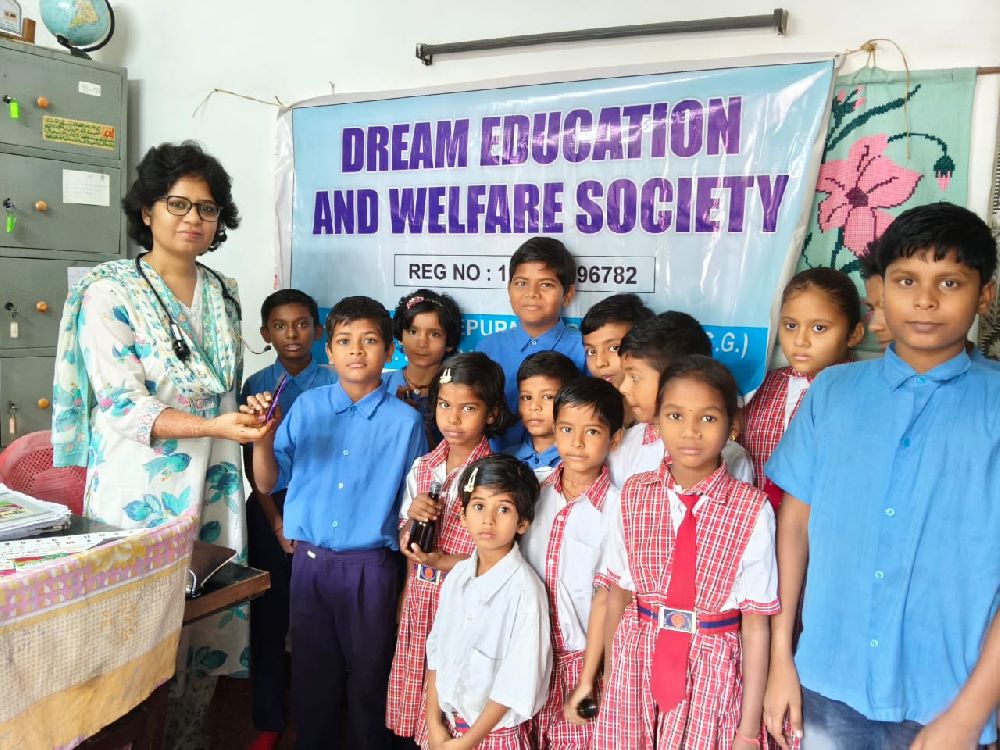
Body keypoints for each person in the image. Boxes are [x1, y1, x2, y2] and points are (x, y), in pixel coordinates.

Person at [51, 141, 269, 749]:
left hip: (214, 481)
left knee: (202, 630)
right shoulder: (109, 290)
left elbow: (219, 390)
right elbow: (122, 404)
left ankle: (185, 741)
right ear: (147, 210)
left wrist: (243, 415)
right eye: (178, 204)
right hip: (140, 485)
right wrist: (216, 426)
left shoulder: (223, 291)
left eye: (207, 208)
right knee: (132, 631)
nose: (193, 218)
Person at [763, 202, 1000, 750]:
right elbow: (794, 530)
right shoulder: (833, 392)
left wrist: (968, 718)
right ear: (881, 291)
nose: (925, 300)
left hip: (950, 700)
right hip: (826, 682)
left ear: (984, 296)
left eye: (950, 282)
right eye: (906, 280)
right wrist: (781, 660)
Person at [246, 295, 427, 750]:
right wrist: (263, 440)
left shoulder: (406, 422)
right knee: (312, 676)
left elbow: (413, 501)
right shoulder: (307, 408)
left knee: (369, 677)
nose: (356, 351)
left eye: (369, 341)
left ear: (390, 351)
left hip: (371, 566)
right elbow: (266, 482)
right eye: (344, 341)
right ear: (329, 350)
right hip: (310, 565)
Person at [594, 355, 779, 750]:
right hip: (636, 666)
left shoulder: (752, 510)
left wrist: (748, 730)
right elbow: (618, 595)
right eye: (675, 416)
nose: (690, 431)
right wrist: (612, 676)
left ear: (733, 425)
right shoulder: (635, 495)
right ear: (657, 421)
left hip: (711, 677)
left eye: (708, 418)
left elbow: (755, 625)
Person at [387, 352, 514, 749]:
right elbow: (406, 543)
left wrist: (442, 561)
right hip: (421, 598)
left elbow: (500, 561)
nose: (453, 419)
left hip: (465, 607)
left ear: (492, 414)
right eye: (444, 405)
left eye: (468, 408)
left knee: (453, 695)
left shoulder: (495, 476)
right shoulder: (424, 467)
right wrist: (411, 524)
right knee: (416, 686)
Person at [239, 288, 337, 750]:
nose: (292, 334)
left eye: (302, 324)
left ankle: (325, 714)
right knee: (270, 618)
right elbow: (252, 465)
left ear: (318, 331)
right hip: (270, 510)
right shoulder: (256, 385)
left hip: (323, 514)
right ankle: (269, 718)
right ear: (266, 334)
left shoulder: (337, 382)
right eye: (280, 326)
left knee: (324, 622)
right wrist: (278, 524)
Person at [519, 377, 625, 750]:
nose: (576, 442)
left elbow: (607, 599)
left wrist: (589, 678)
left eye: (592, 431)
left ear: (614, 439)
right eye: (566, 429)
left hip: (582, 661)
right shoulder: (532, 491)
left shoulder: (618, 510)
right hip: (527, 653)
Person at [424, 455, 552, 750]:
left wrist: (468, 742)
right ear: (462, 515)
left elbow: (516, 682)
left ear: (522, 523)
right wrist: (433, 723)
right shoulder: (458, 577)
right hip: (447, 730)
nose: (488, 519)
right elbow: (437, 651)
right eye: (479, 506)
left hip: (493, 739)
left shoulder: (525, 592)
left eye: (503, 509)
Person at [740, 268, 863, 508]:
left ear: (853, 335)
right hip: (754, 523)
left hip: (820, 524)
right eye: (790, 325)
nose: (800, 341)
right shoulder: (758, 386)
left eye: (819, 328)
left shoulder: (863, 394)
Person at [608, 312, 755, 487]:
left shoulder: (733, 458)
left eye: (635, 377)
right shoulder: (623, 447)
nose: (623, 388)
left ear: (675, 377)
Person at [476, 237, 585, 415]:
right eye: (521, 283)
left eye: (546, 284)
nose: (532, 293)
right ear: (509, 289)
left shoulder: (584, 349)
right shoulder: (488, 348)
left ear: (567, 295)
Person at [385, 289, 463, 448]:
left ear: (449, 343)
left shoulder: (460, 392)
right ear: (400, 338)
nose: (422, 343)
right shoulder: (379, 386)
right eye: (413, 331)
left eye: (434, 334)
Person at [580, 293, 654, 427]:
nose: (600, 363)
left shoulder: (659, 421)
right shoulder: (587, 415)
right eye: (591, 352)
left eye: (614, 348)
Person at [504, 351, 580, 479]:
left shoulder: (577, 459)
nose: (534, 407)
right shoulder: (506, 460)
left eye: (547, 397)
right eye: (526, 397)